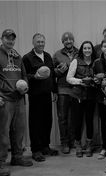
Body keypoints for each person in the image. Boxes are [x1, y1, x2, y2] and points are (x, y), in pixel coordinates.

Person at [0, 29, 33, 176]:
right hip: (4, 99)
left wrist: (25, 87)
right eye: (7, 38)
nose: (10, 41)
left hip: (19, 98)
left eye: (12, 39)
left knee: (19, 131)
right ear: (2, 39)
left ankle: (17, 157)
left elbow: (24, 75)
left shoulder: (17, 55)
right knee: (3, 133)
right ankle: (0, 163)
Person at [22, 33, 58, 162]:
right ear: (33, 43)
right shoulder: (27, 58)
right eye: (38, 42)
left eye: (42, 41)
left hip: (47, 94)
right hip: (35, 95)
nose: (41, 44)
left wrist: (54, 91)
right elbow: (24, 76)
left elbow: (52, 74)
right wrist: (35, 77)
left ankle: (45, 146)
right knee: (35, 122)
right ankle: (36, 150)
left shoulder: (47, 56)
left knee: (47, 121)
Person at [66, 41, 97, 157]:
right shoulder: (76, 61)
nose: (87, 50)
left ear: (92, 50)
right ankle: (78, 144)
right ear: (81, 50)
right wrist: (80, 81)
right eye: (85, 48)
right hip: (77, 95)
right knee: (77, 121)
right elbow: (69, 78)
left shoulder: (95, 62)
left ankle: (89, 144)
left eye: (89, 48)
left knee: (89, 121)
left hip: (91, 95)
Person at [53, 32, 79, 154]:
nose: (68, 41)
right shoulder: (57, 54)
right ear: (62, 42)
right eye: (65, 40)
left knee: (74, 117)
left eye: (70, 39)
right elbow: (52, 73)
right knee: (62, 117)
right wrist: (58, 71)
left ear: (73, 41)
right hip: (62, 89)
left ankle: (72, 141)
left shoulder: (79, 52)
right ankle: (64, 142)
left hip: (75, 89)